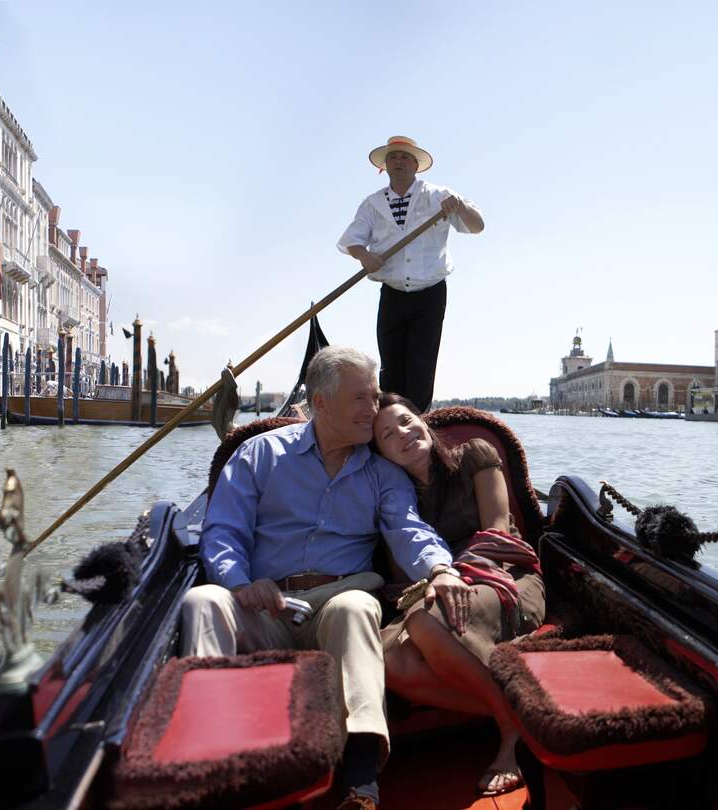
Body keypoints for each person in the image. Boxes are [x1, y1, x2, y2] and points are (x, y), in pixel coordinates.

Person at [180, 347, 468, 810]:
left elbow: (407, 529)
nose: (372, 410)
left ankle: (360, 782)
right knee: (202, 603)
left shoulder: (381, 473)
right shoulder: (261, 454)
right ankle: (206, 763)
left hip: (338, 601)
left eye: (374, 398)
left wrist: (440, 568)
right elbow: (222, 531)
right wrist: (239, 583)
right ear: (321, 404)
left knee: (356, 608)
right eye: (361, 399)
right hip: (263, 606)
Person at [371, 393, 545, 797]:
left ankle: (509, 736)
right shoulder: (395, 499)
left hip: (504, 576)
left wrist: (450, 579)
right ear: (380, 454)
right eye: (386, 434)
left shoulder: (474, 455)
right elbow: (403, 576)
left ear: (423, 421)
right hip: (438, 593)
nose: (403, 433)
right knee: (388, 660)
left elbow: (498, 531)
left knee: (423, 620)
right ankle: (520, 717)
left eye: (406, 420)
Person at [338, 136, 484, 412]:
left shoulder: (439, 196)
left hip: (430, 293)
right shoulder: (371, 204)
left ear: (417, 165)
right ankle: (390, 423)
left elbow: (477, 226)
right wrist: (364, 256)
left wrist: (460, 207)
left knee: (421, 365)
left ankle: (417, 422)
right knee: (390, 367)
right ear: (385, 166)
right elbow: (352, 241)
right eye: (393, 157)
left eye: (405, 157)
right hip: (392, 294)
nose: (399, 161)